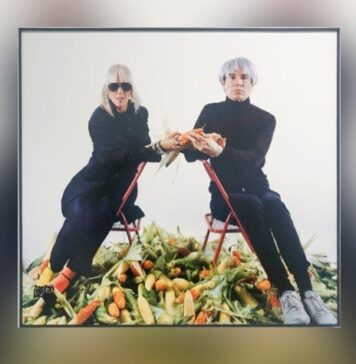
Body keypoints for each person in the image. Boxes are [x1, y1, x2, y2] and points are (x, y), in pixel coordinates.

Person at [183, 57, 337, 325]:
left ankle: (308, 292)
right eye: (232, 77)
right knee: (250, 205)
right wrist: (188, 142)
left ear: (253, 83)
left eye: (245, 78)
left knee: (274, 204)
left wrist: (220, 150)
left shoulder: (266, 119)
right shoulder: (210, 111)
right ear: (223, 82)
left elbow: (255, 158)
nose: (238, 82)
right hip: (224, 192)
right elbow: (189, 156)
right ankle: (287, 292)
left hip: (257, 183)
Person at [37, 64, 182, 294]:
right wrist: (157, 147)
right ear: (107, 90)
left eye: (125, 86)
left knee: (104, 210)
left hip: (122, 185)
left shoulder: (140, 113)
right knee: (84, 212)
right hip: (92, 181)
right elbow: (117, 155)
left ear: (132, 89)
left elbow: (144, 150)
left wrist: (169, 144)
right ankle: (54, 265)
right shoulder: (99, 117)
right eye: (114, 86)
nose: (120, 92)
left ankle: (67, 274)